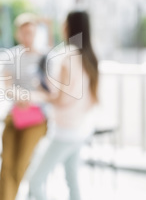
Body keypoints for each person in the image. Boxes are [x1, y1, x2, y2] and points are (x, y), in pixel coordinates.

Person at [28, 11, 99, 200]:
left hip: (64, 131)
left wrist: (38, 93)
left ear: (68, 27)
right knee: (72, 179)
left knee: (34, 181)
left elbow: (60, 99)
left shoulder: (67, 57)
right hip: (81, 128)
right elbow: (91, 98)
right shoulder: (90, 57)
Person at [0, 13, 50, 200]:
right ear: (18, 33)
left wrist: (30, 97)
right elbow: (7, 87)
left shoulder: (44, 57)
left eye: (31, 32)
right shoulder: (11, 56)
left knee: (21, 165)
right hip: (15, 114)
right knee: (6, 165)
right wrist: (18, 95)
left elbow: (50, 92)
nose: (28, 36)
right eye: (25, 32)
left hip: (36, 118)